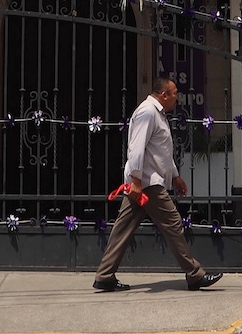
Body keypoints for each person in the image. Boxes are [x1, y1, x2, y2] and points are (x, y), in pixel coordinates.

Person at [92, 75, 223, 291]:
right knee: (173, 223)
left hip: (144, 182)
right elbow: (136, 148)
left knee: (123, 228)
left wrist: (175, 176)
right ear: (164, 95)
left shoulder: (157, 114)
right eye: (174, 94)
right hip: (147, 183)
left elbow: (161, 151)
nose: (176, 98)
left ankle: (104, 275)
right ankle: (194, 274)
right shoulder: (147, 112)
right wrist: (136, 181)